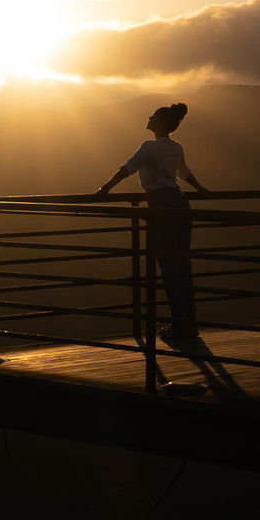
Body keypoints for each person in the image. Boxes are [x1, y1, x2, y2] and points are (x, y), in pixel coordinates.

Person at [95, 102, 209, 347]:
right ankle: (190, 323)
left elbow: (126, 169)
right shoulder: (177, 147)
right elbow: (184, 173)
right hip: (181, 203)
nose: (148, 117)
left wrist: (104, 189)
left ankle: (179, 325)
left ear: (161, 123)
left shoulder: (148, 148)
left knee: (168, 266)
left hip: (161, 206)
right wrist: (201, 190)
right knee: (183, 264)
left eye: (153, 116)